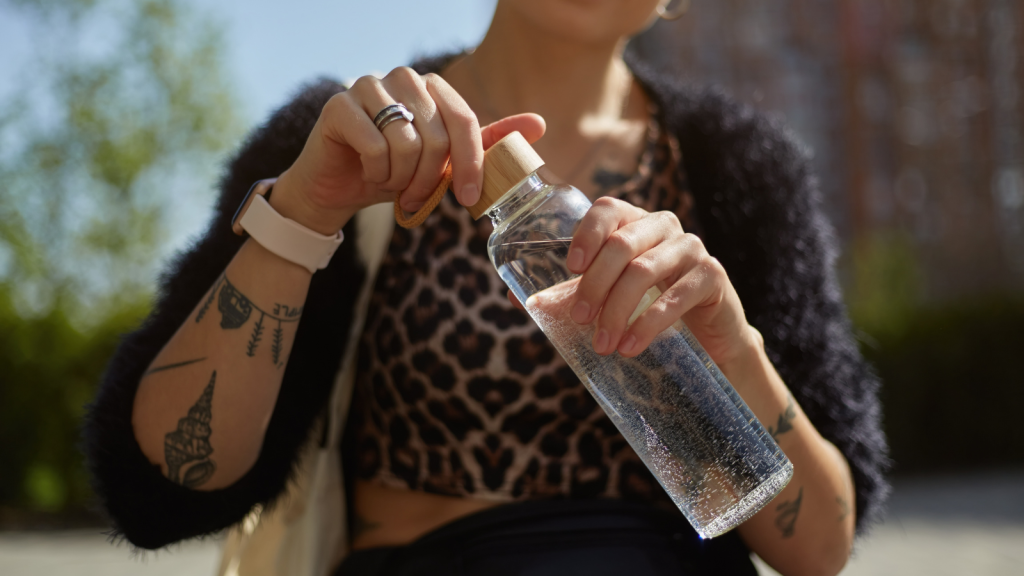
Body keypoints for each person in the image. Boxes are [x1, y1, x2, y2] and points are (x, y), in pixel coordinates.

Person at [83, 1, 888, 575]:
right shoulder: (348, 139)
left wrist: (728, 343)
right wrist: (300, 219)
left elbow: (818, 549)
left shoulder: (738, 168)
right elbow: (167, 484)